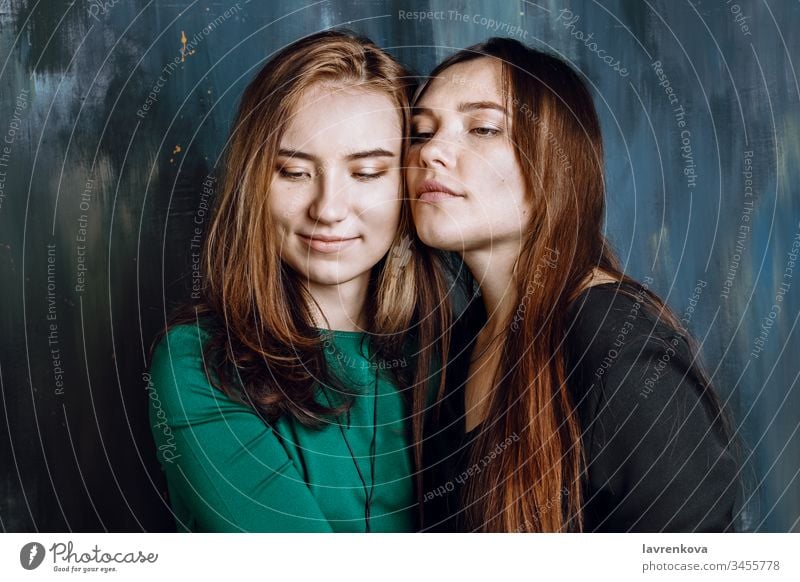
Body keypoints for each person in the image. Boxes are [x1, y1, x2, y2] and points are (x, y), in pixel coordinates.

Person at [407, 37, 742, 532]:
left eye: (481, 128)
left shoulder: (619, 349)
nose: (431, 151)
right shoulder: (465, 342)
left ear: (557, 162)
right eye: (420, 132)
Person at [147, 30, 450, 532]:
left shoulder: (448, 354)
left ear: (409, 183)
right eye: (293, 172)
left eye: (368, 172)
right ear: (254, 184)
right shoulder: (199, 363)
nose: (328, 209)